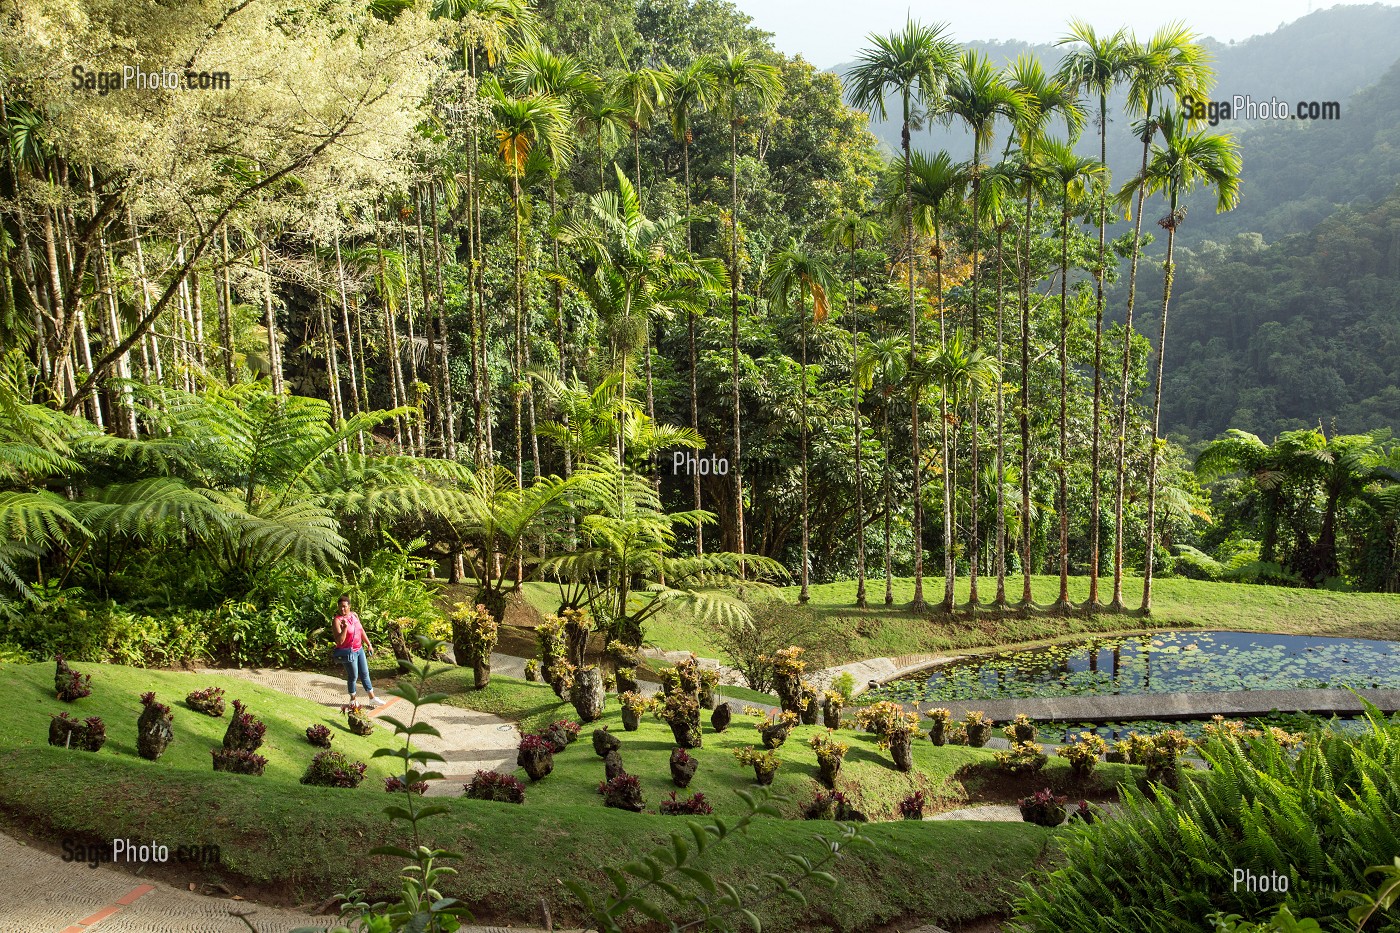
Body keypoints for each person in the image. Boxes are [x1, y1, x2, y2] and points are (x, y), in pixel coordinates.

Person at [332, 596, 384, 706]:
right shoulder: (337, 620)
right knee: (353, 676)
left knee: (365, 673)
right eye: (340, 607)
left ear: (349, 606)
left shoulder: (354, 616)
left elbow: (360, 630)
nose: (342, 609)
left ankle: (372, 698)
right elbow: (339, 641)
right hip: (348, 652)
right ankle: (353, 699)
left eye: (344, 607)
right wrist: (345, 628)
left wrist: (369, 644)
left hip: (359, 649)